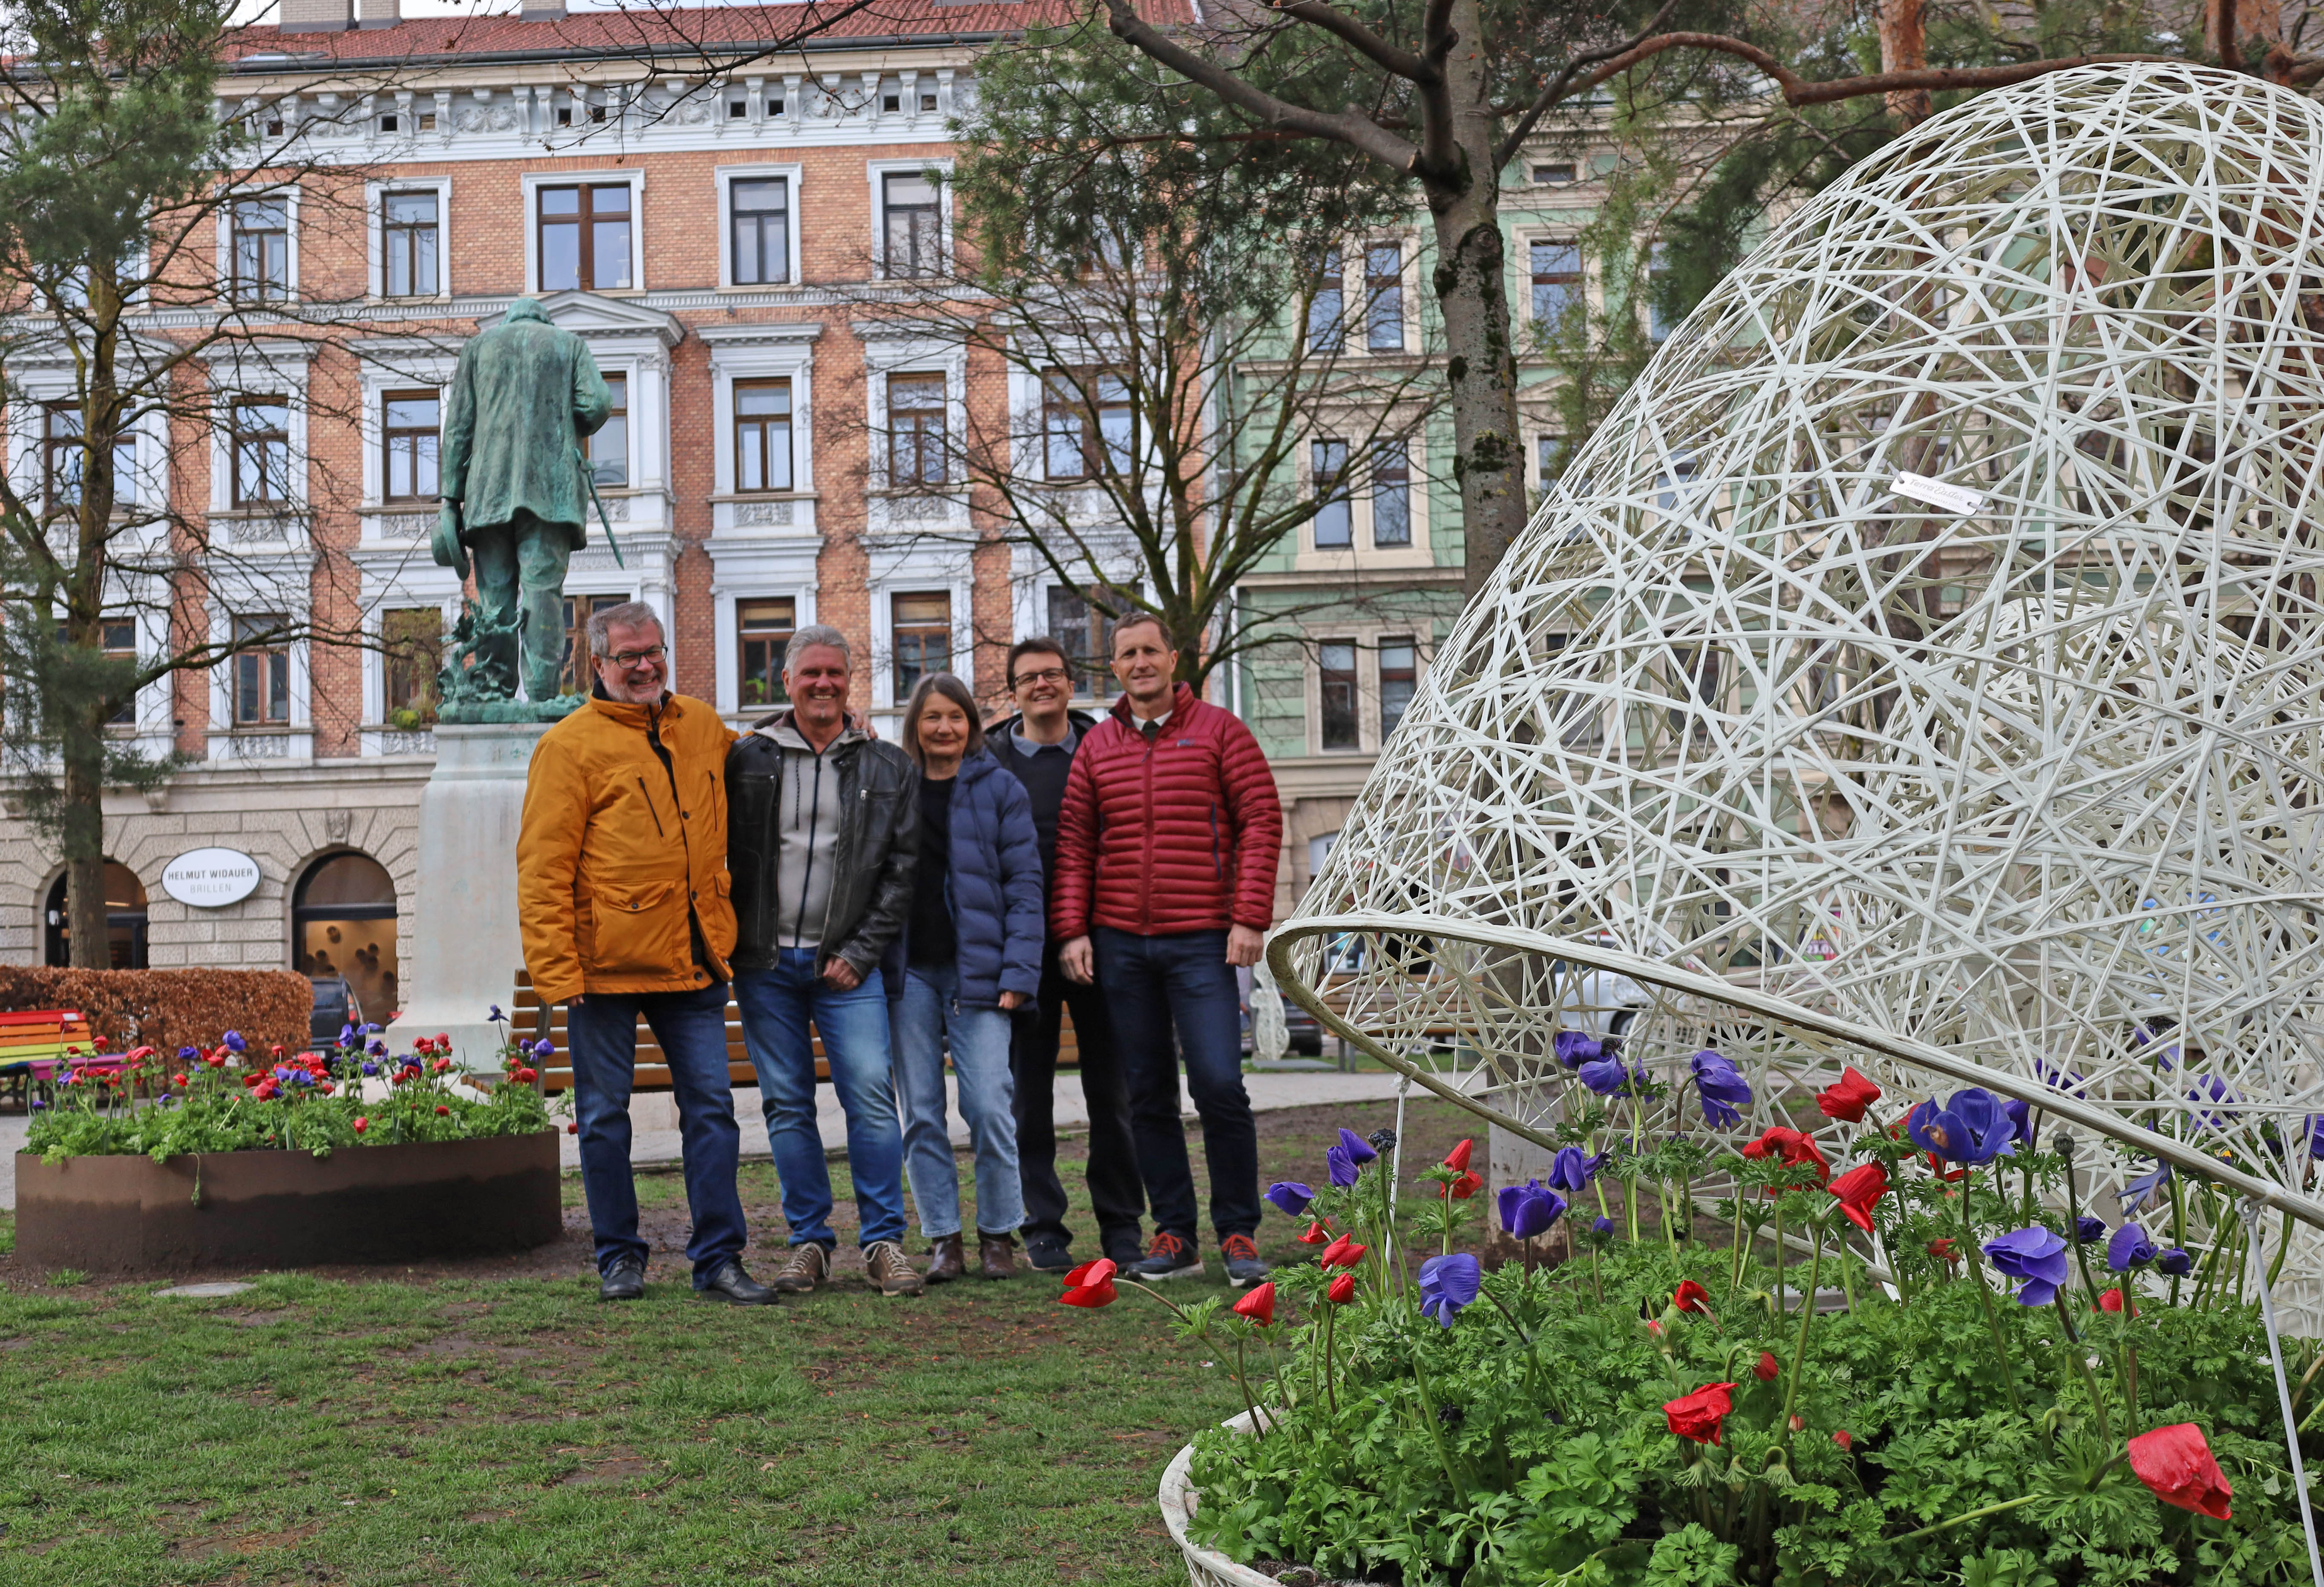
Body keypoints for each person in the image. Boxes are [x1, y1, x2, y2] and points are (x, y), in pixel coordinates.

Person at [516, 602, 769, 1305]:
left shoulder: (701, 725)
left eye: (653, 651)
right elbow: (542, 867)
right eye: (628, 656)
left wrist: (834, 732)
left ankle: (719, 1258)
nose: (645, 665)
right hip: (604, 971)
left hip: (693, 959)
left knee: (712, 1112)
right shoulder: (569, 746)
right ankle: (619, 1258)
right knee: (603, 1118)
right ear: (598, 664)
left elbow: (759, 755)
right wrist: (558, 971)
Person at [1052, 614, 1284, 1288]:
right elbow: (1073, 845)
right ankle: (1176, 1235)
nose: (1140, 662)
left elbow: (1260, 821)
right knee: (1146, 1094)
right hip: (1121, 944)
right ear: (1115, 668)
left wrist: (1248, 919)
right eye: (1127, 654)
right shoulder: (1096, 747)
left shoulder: (1221, 733)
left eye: (1150, 650)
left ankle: (1238, 1232)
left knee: (1218, 1086)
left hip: (1203, 943)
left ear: (1173, 659)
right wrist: (1072, 930)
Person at [726, 625, 926, 1298]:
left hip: (847, 970)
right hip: (764, 966)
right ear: (785, 681)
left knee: (870, 1097)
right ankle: (808, 1242)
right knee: (786, 1105)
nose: (823, 685)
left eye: (834, 675)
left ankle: (883, 1243)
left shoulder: (886, 765)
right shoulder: (746, 759)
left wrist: (859, 953)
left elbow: (901, 874)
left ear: (849, 682)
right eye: (810, 673)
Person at [990, 637, 1146, 1273]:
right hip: (1022, 949)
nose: (1042, 686)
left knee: (1112, 1091)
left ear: (1070, 682)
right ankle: (1042, 1227)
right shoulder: (990, 759)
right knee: (1027, 1094)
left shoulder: (1105, 747)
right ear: (1013, 690)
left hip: (1100, 942)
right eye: (1029, 678)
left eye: (1052, 675)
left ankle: (1121, 1226)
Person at [889, 673, 1044, 1282]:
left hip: (980, 971)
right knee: (921, 1112)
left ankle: (998, 1234)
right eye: (931, 718)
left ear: (971, 725)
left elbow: (1025, 887)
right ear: (915, 726)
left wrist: (1018, 972)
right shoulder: (896, 786)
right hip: (910, 974)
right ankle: (943, 1239)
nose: (943, 728)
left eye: (954, 717)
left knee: (987, 1107)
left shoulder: (998, 787)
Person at [435, 296, 613, 705]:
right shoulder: (568, 345)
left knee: (494, 596)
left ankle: (494, 689)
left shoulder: (479, 348)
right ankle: (543, 695)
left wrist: (450, 499)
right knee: (543, 592)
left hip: (487, 493)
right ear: (544, 319)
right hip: (550, 494)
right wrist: (568, 420)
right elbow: (598, 405)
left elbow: (458, 426)